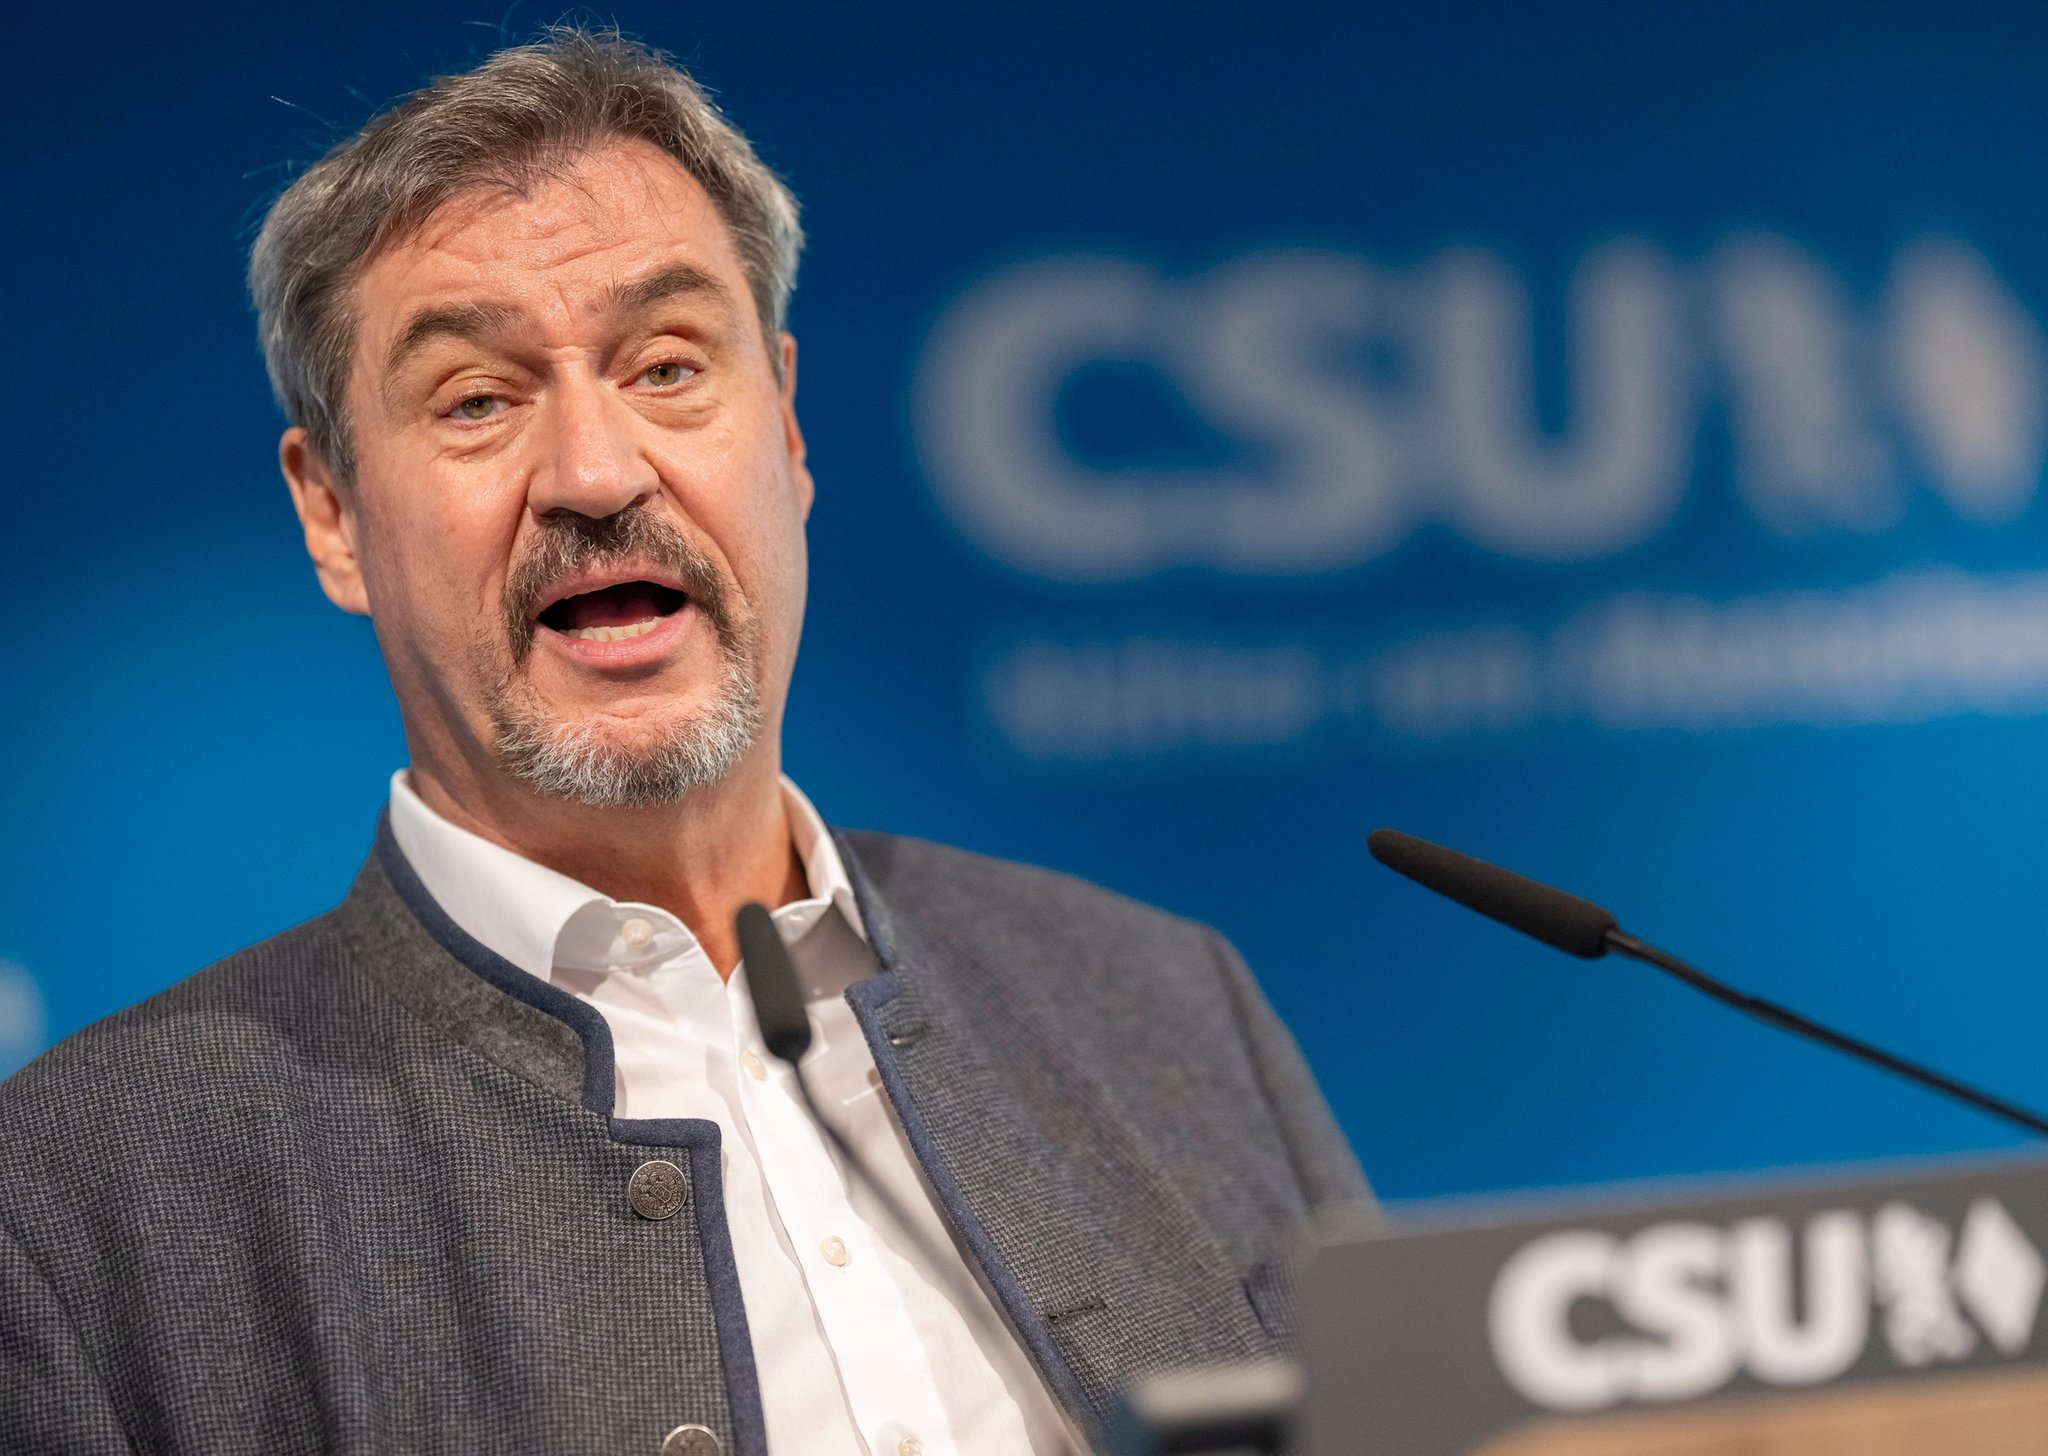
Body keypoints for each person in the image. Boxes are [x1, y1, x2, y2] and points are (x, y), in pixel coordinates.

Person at [0, 27, 1367, 1456]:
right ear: (332, 513)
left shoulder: (1162, 1003)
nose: (595, 473)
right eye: (476, 399)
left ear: (783, 427)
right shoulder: (86, 1198)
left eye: (664, 367)